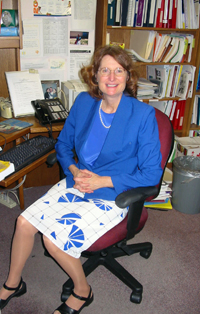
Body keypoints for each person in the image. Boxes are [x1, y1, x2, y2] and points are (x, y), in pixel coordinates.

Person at [0, 45, 162, 314]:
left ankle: (82, 291)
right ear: (95, 76)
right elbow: (63, 145)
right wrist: (74, 170)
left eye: (118, 70)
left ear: (127, 76)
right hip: (77, 184)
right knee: (23, 222)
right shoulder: (84, 103)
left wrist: (103, 181)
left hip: (113, 195)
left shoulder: (142, 116)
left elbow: (151, 174)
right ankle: (13, 284)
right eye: (105, 70)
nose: (111, 77)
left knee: (53, 241)